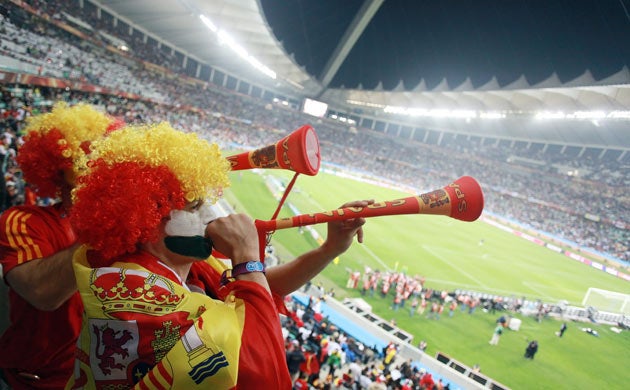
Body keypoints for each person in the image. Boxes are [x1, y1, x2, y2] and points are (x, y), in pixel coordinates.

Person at [66, 122, 291, 388]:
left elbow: (259, 295)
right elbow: (262, 371)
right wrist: (246, 257)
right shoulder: (132, 294)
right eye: (194, 207)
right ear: (146, 219)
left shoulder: (179, 268)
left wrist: (330, 248)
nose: (211, 217)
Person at [0, 103, 120, 389]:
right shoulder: (23, 220)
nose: (92, 167)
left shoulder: (129, 234)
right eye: (81, 159)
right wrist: (102, 227)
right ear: (56, 167)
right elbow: (42, 293)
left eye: (101, 160)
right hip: (31, 383)